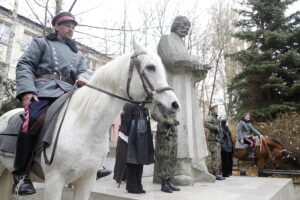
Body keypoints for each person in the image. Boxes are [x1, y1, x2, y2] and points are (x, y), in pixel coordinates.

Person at [12, 11, 114, 195]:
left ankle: (94, 164)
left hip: (70, 93)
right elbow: (25, 64)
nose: (71, 29)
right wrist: (27, 91)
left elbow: (85, 71)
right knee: (33, 118)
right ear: (57, 26)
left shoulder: (78, 54)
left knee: (92, 118)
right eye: (67, 25)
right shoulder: (41, 43)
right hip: (44, 91)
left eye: (73, 27)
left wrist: (83, 77)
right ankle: (21, 175)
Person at [157, 15, 214, 185]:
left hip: (188, 91)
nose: (186, 28)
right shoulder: (166, 40)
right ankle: (180, 168)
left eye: (188, 26)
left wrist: (199, 71)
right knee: (180, 124)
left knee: (193, 126)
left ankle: (197, 166)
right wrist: (193, 62)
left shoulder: (183, 45)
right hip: (174, 89)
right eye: (183, 24)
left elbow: (187, 69)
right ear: (175, 25)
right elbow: (172, 61)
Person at [114, 102, 154, 194]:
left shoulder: (144, 106)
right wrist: (129, 137)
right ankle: (132, 186)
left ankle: (138, 184)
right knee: (133, 161)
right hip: (131, 137)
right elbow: (126, 122)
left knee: (140, 161)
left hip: (141, 137)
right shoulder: (129, 105)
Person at [155, 120, 180, 193]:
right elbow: (155, 115)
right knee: (164, 159)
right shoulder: (162, 108)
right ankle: (164, 183)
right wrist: (168, 121)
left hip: (173, 136)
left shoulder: (173, 109)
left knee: (173, 160)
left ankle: (170, 181)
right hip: (164, 135)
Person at [204, 104, 225, 180]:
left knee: (218, 158)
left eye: (217, 108)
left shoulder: (216, 118)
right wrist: (215, 127)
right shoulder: (210, 117)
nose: (217, 109)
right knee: (214, 157)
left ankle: (217, 173)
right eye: (216, 108)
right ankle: (214, 174)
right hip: (212, 140)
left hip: (217, 139)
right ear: (212, 109)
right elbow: (205, 123)